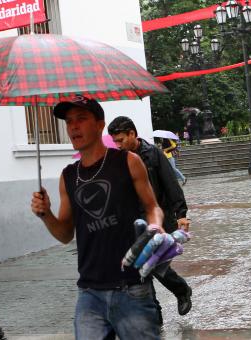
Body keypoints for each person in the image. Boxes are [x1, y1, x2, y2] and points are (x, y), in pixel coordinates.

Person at [30, 96, 164, 339]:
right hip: (89, 291)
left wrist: (155, 228)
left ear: (100, 124)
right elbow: (64, 234)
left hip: (131, 286)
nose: (73, 127)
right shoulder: (68, 176)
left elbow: (152, 206)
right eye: (69, 122)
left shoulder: (128, 162)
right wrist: (46, 214)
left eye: (81, 119)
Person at [107, 116, 193, 321]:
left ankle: (181, 291)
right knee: (140, 269)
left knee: (152, 264)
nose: (117, 145)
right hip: (132, 221)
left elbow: (171, 184)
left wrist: (181, 214)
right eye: (114, 141)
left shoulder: (153, 154)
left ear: (132, 134)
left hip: (157, 217)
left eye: (120, 140)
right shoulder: (118, 160)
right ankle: (155, 312)